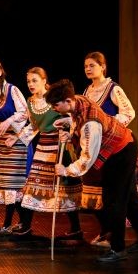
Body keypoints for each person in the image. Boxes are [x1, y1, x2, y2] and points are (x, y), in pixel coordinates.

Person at [46, 79, 138, 263]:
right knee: (128, 197)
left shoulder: (91, 123)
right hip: (116, 148)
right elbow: (77, 121)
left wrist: (66, 170)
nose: (54, 109)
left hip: (122, 150)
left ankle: (118, 248)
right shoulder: (79, 100)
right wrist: (70, 132)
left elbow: (88, 157)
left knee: (114, 200)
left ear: (68, 100)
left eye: (56, 105)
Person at [81, 52, 138, 249]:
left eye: (92, 65)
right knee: (127, 195)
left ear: (103, 66)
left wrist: (109, 126)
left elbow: (129, 113)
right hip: (101, 148)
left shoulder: (113, 88)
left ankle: (113, 239)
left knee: (114, 195)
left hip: (119, 145)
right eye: (85, 66)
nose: (88, 69)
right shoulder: (87, 91)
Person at [17, 68, 83, 240]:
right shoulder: (30, 101)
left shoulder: (54, 98)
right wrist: (17, 139)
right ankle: (26, 226)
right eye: (28, 81)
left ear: (44, 81)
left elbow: (72, 118)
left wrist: (66, 128)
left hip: (60, 144)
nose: (31, 84)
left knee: (64, 188)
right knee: (33, 183)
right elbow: (34, 126)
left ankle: (76, 228)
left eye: (34, 80)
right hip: (43, 145)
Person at [0, 58, 30, 234]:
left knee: (14, 184)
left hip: (17, 139)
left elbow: (25, 113)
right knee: (7, 184)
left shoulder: (11, 90)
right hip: (2, 141)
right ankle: (21, 223)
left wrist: (8, 122)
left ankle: (9, 223)